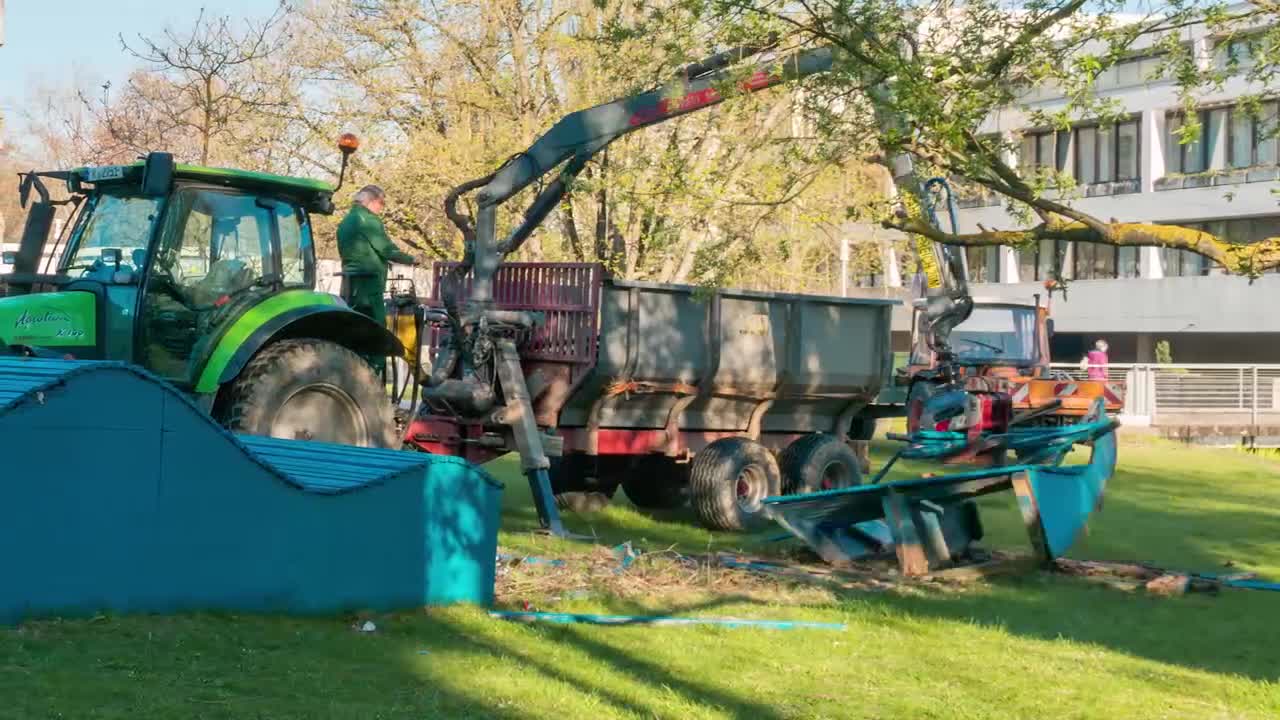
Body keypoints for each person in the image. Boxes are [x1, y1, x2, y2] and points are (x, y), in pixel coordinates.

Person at [336, 185, 419, 371]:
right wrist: (411, 259)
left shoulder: (345, 222)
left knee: (353, 331)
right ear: (372, 201)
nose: (382, 207)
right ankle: (374, 374)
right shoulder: (368, 220)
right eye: (382, 203)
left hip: (350, 286)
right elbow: (386, 249)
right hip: (369, 285)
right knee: (377, 331)